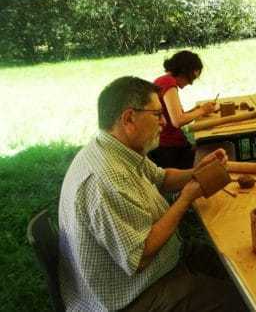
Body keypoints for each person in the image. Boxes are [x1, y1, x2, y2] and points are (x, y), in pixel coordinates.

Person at [58, 76, 246, 311]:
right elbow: (140, 256)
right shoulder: (104, 179)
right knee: (237, 303)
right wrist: (186, 198)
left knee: (237, 265)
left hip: (162, 261)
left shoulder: (117, 148)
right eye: (157, 114)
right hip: (130, 295)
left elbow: (162, 178)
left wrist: (197, 171)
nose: (165, 122)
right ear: (129, 118)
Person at [149, 50, 216, 169]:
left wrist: (195, 110)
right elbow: (177, 121)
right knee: (213, 153)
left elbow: (172, 117)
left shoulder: (164, 81)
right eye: (192, 78)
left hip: (168, 146)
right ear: (184, 71)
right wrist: (202, 111)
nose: (190, 83)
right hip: (168, 150)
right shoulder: (168, 82)